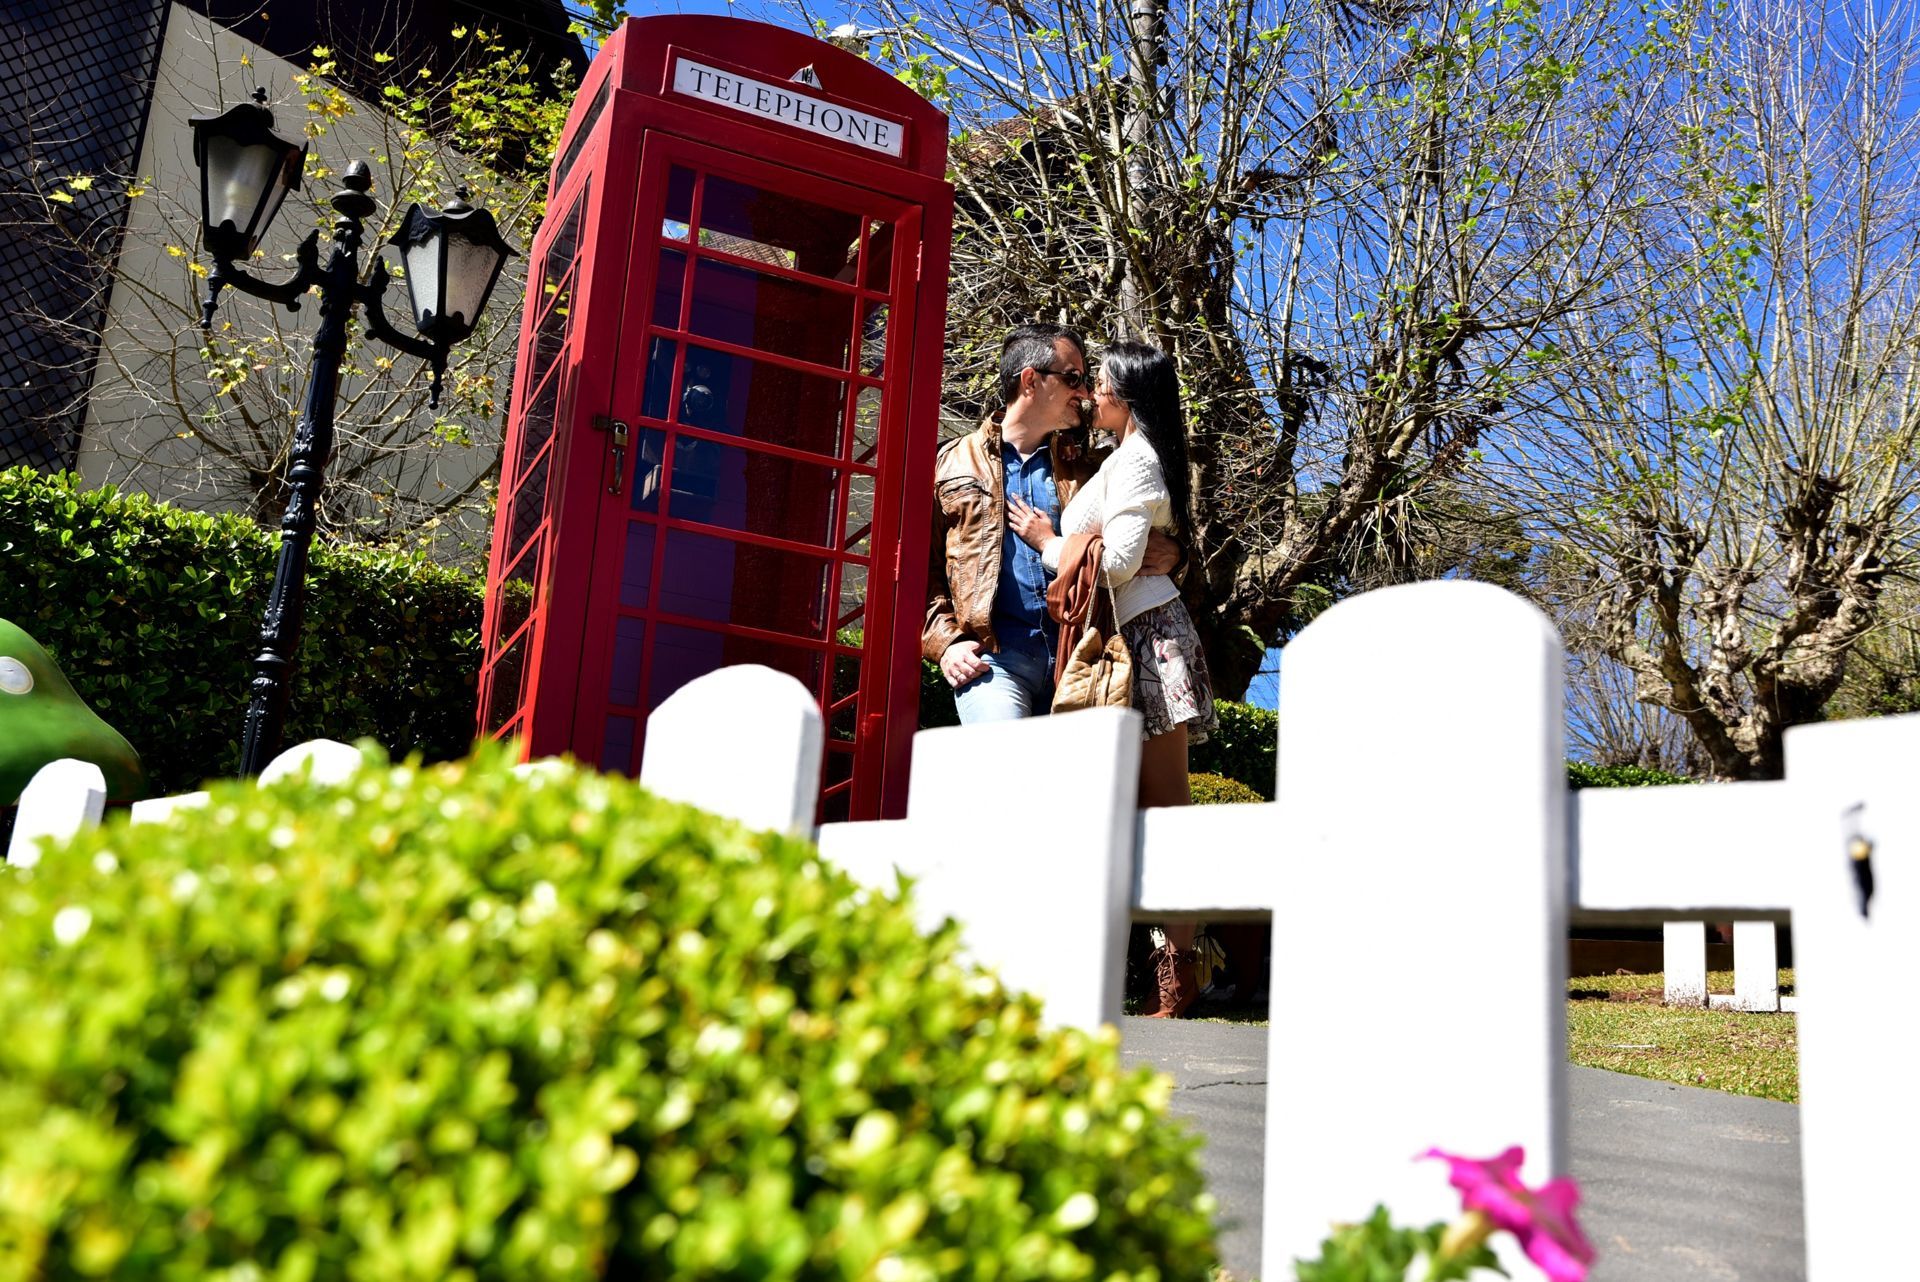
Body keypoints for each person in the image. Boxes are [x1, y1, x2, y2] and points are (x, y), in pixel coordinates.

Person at [1010, 339, 1220, 1017]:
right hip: (1120, 641)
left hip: (1150, 639)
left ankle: (1181, 972)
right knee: (1125, 807)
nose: (1089, 392)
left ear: (1127, 394)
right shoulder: (1119, 458)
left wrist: (1048, 543)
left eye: (1098, 383)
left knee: (1165, 804)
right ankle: (1150, 964)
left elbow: (1124, 560)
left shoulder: (1138, 461)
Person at [924, 323, 1178, 722]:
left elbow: (1146, 531)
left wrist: (1176, 555)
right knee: (1004, 772)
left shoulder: (1095, 467)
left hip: (1079, 657)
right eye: (1073, 378)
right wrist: (946, 642)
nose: (1085, 393)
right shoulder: (951, 461)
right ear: (1030, 380)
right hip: (996, 661)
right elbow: (916, 569)